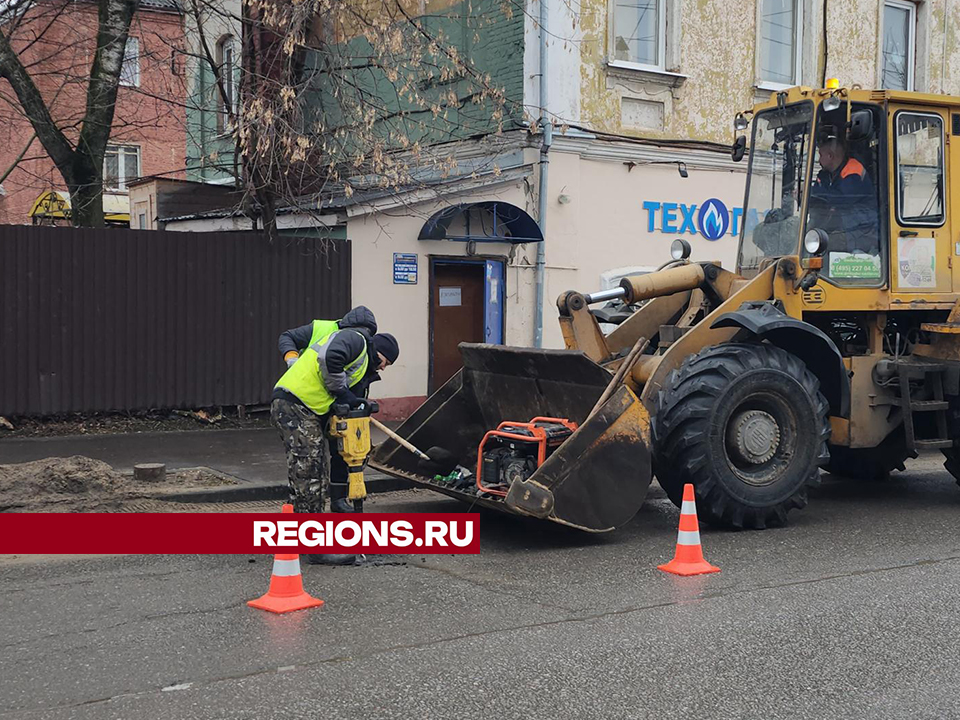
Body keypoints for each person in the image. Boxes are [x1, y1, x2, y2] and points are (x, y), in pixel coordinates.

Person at [271, 306, 399, 564]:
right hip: (296, 405)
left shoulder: (360, 356)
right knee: (311, 475)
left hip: (300, 407)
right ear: (380, 353)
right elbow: (331, 357)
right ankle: (315, 548)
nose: (383, 369)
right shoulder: (358, 340)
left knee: (308, 475)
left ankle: (298, 538)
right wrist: (343, 395)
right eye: (386, 363)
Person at [808, 128, 880, 255]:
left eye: (820, 155)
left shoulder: (854, 171)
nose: (818, 160)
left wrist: (813, 194)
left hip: (862, 230)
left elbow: (840, 199)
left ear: (830, 156)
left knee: (821, 244)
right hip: (842, 227)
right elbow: (816, 197)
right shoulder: (825, 174)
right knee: (806, 236)